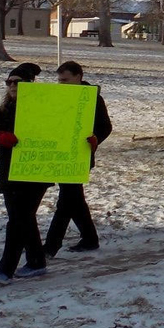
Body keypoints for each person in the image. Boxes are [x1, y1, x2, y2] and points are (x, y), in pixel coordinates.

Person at [0, 63, 50, 284]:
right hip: (9, 172)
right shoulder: (4, 109)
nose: (12, 86)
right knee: (23, 218)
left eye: (17, 82)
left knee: (18, 221)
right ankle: (37, 262)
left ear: (30, 85)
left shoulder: (44, 108)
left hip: (36, 173)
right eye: (9, 82)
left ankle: (5, 270)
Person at [43, 60, 112, 256]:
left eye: (65, 80)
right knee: (75, 199)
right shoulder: (57, 97)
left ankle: (50, 247)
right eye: (59, 80)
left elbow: (105, 127)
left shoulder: (93, 99)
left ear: (78, 77)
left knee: (66, 201)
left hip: (80, 156)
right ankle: (90, 239)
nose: (61, 84)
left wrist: (95, 139)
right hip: (60, 154)